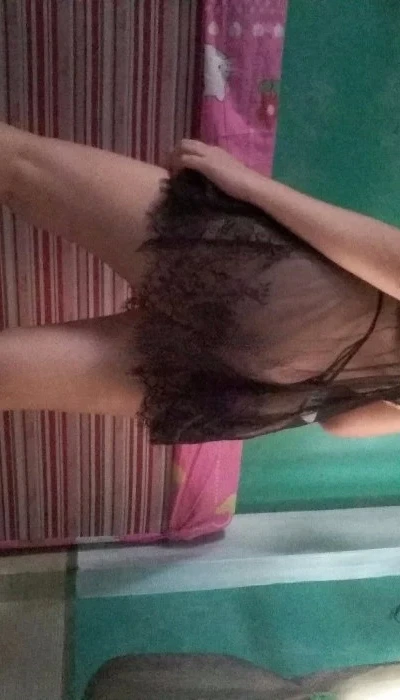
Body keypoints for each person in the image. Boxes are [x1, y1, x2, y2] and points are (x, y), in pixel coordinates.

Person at [1, 121, 400, 444]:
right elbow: (342, 423)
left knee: (20, 166)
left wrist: (249, 184)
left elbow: (386, 258)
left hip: (293, 293)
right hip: (267, 390)